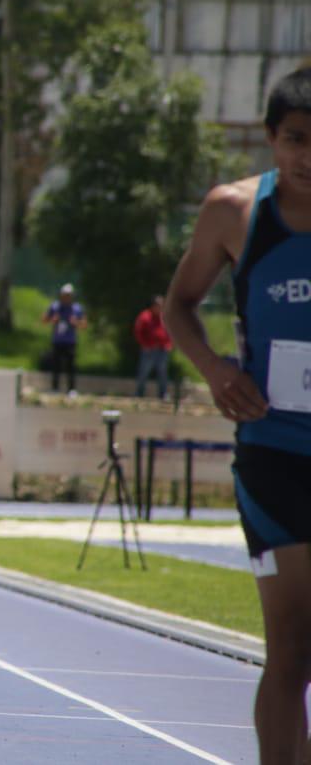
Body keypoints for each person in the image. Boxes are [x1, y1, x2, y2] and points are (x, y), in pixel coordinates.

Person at [165, 67, 311, 764]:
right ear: (271, 138)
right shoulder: (234, 212)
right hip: (274, 456)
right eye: (295, 140)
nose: (308, 157)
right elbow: (178, 306)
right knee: (291, 648)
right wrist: (217, 368)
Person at [42, 283, 87, 396]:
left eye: (68, 295)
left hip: (70, 341)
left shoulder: (77, 308)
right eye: (64, 295)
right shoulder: (55, 307)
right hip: (57, 341)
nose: (66, 297)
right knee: (55, 366)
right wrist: (53, 319)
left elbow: (84, 324)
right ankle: (55, 388)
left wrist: (75, 322)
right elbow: (44, 319)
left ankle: (71, 389)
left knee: (70, 366)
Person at [133, 295, 172, 400]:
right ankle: (139, 393)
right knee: (143, 372)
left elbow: (170, 332)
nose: (160, 308)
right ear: (153, 306)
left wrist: (168, 344)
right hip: (148, 349)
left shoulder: (165, 317)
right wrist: (145, 344)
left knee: (162, 373)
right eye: (158, 305)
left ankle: (163, 394)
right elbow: (138, 332)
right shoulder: (145, 316)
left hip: (162, 349)